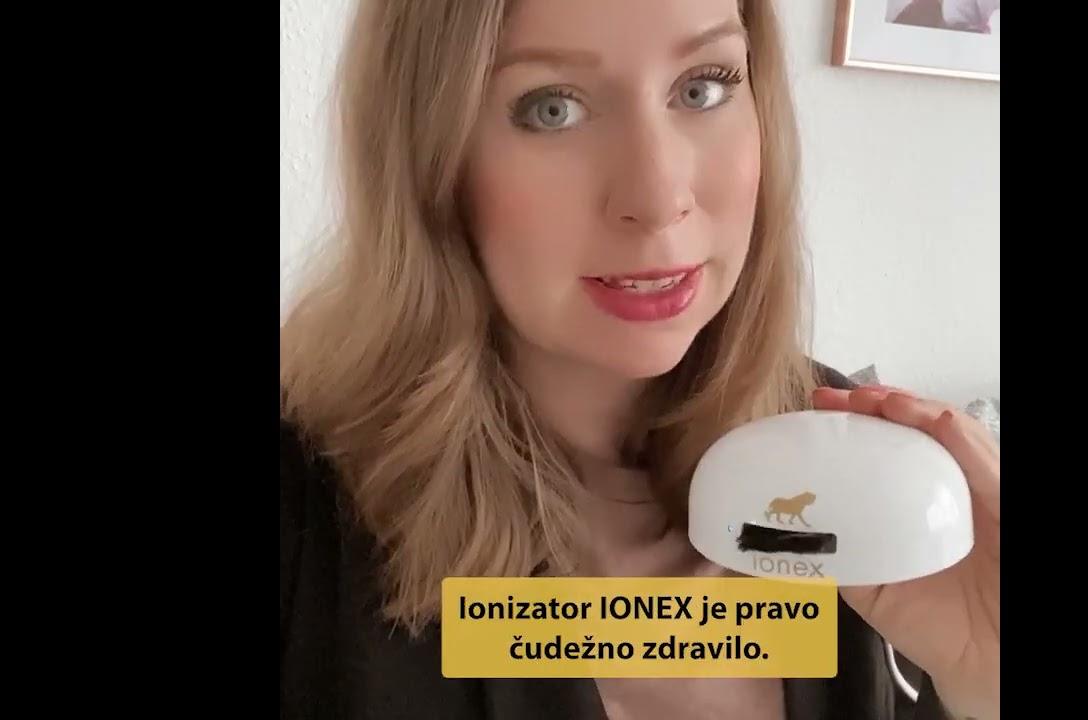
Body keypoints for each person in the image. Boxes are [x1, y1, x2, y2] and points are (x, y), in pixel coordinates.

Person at [279, 0, 1000, 718]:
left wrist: (982, 683)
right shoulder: (303, 502)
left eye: (703, 87)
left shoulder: (858, 470)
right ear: (427, 157)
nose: (658, 198)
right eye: (553, 109)